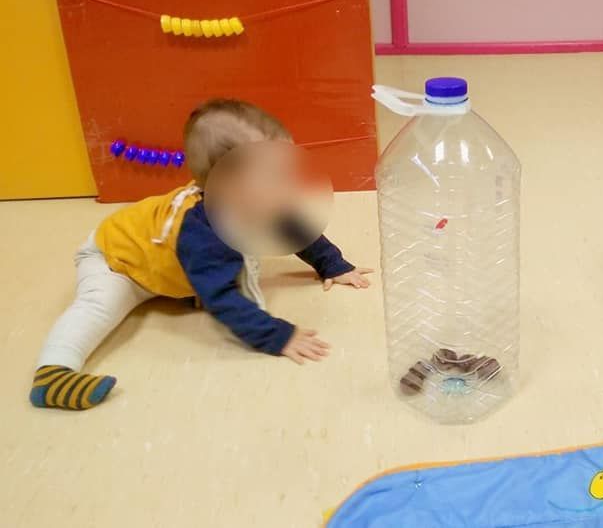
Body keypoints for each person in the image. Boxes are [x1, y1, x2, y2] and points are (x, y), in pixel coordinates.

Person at [30, 99, 372, 410]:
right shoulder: (203, 233)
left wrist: (332, 265)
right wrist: (278, 336)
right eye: (273, 176)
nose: (287, 185)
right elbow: (224, 299)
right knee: (97, 306)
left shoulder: (255, 202)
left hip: (165, 263)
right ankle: (54, 371)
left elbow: (293, 228)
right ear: (228, 186)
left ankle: (185, 284)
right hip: (117, 261)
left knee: (211, 272)